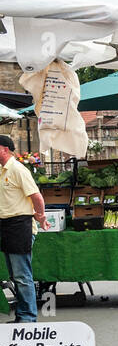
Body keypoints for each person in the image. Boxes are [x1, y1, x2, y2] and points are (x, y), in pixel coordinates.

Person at [0, 135, 49, 323]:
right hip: (6, 226)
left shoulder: (18, 169)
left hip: (21, 226)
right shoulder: (2, 170)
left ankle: (28, 317)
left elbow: (37, 196)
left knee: (22, 276)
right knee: (15, 275)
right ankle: (22, 315)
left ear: (4, 149)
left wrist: (41, 216)